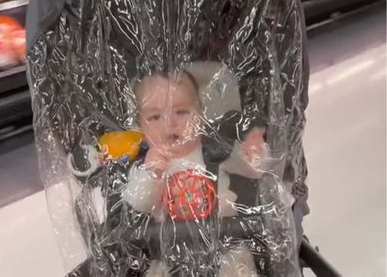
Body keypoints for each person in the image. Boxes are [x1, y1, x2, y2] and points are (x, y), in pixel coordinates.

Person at [121, 69, 288, 277]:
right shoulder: (146, 163)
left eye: (181, 112)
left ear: (200, 115)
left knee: (238, 266)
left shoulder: (215, 150)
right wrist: (152, 175)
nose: (169, 123)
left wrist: (255, 151)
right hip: (169, 252)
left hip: (225, 242)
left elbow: (255, 169)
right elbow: (138, 203)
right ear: (139, 126)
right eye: (155, 117)